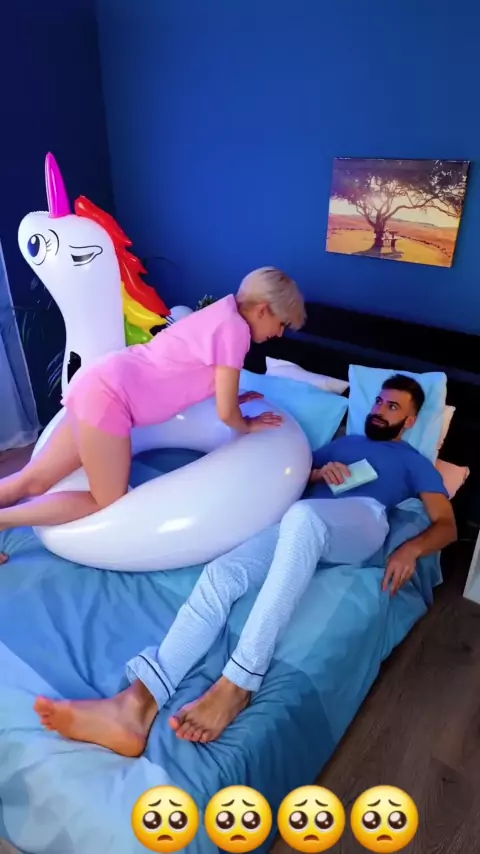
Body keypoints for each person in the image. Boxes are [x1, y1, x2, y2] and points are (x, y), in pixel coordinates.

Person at [34, 374, 457, 754]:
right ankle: (136, 704)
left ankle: (239, 681)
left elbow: (446, 525)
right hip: (303, 525)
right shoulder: (343, 445)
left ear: (410, 420)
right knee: (224, 573)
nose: (380, 410)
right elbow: (294, 476)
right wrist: (317, 473)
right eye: (379, 401)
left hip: (363, 521)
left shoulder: (413, 462)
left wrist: (411, 549)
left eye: (393, 407)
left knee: (303, 518)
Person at [0, 267, 305, 555]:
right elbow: (226, 415)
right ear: (263, 309)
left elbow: (187, 368)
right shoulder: (236, 332)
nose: (280, 333)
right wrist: (248, 424)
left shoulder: (220, 312)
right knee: (105, 499)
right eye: (282, 323)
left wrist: (232, 399)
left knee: (33, 480)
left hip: (99, 380)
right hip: (110, 399)